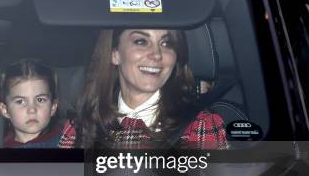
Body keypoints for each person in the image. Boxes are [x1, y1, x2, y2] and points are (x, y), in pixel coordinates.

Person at [59, 29, 227, 149]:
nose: (156, 54)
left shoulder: (200, 125)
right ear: (115, 54)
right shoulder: (79, 128)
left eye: (166, 43)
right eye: (141, 41)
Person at [0, 59, 63, 148]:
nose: (32, 110)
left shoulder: (67, 143)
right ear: (5, 110)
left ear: (53, 107)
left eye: (40, 100)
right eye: (20, 101)